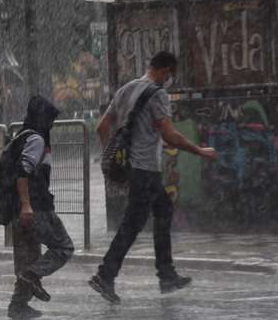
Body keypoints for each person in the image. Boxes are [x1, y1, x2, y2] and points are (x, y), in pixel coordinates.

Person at [89, 51, 218, 304]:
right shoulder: (158, 94)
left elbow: (102, 127)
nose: (170, 79)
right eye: (171, 74)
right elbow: (170, 136)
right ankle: (106, 275)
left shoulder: (125, 89)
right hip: (146, 169)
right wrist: (200, 151)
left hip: (137, 170)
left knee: (163, 210)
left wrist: (113, 158)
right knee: (132, 225)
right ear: (166, 70)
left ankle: (166, 275)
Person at [8, 95, 75, 320]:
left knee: (28, 257)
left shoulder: (22, 136)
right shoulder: (36, 139)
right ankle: (32, 275)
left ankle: (18, 306)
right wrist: (27, 205)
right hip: (35, 206)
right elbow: (22, 172)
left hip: (16, 209)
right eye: (50, 119)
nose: (52, 124)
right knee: (63, 247)